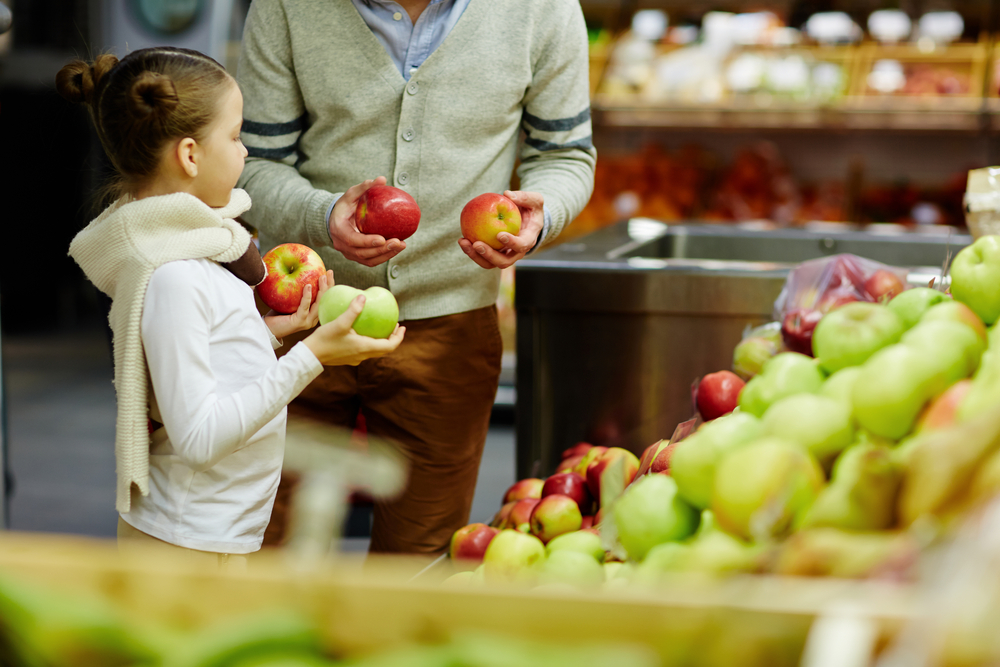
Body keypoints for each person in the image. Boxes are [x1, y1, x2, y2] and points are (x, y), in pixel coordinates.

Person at [236, 0, 597, 554]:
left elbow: (567, 153)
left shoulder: (541, 9)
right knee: (264, 547)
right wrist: (322, 214)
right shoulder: (288, 6)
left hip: (450, 326)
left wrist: (540, 217)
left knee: (417, 562)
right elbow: (253, 161)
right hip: (299, 319)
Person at [57, 47, 405, 568]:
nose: (245, 154)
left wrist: (268, 333)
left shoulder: (201, 248)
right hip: (184, 546)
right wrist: (311, 357)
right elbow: (198, 438)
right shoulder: (173, 274)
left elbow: (208, 359)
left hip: (214, 536)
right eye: (237, 135)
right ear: (191, 155)